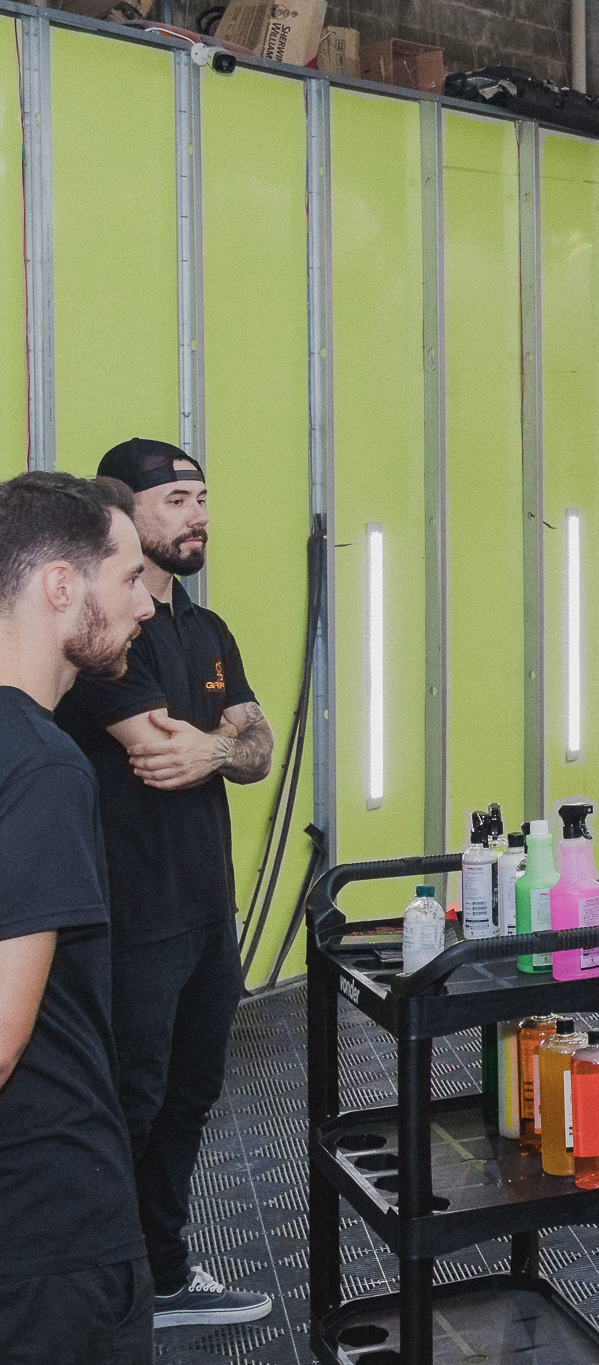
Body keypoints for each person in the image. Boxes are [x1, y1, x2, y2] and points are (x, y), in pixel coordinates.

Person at [52, 440, 275, 1330]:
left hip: (207, 909)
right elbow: (159, 752)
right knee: (125, 1106)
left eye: (203, 497)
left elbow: (253, 747)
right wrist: (222, 744)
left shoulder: (207, 629)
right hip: (131, 914)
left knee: (190, 1096)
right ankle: (98, 1292)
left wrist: (216, 745)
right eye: (177, 499)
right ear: (123, 512)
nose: (199, 515)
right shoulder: (106, 640)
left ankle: (167, 1274)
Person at [0, 470, 158, 1365]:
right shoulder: (42, 765)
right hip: (50, 1239)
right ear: (61, 586)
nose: (146, 605)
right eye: (128, 578)